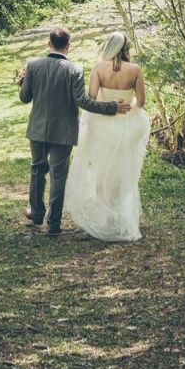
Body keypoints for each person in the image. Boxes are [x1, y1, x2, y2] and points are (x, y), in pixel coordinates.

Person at [17, 27, 131, 236]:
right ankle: (53, 225)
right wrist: (112, 107)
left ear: (48, 43)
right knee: (58, 177)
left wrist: (22, 82)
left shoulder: (32, 65)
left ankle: (36, 213)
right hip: (64, 132)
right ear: (68, 46)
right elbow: (83, 101)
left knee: (37, 170)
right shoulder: (75, 70)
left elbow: (25, 97)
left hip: (38, 129)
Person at [64, 31, 150, 241]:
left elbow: (92, 98)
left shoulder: (99, 68)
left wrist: (109, 103)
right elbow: (141, 102)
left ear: (107, 46)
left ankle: (105, 217)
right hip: (128, 125)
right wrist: (127, 106)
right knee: (123, 170)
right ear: (126, 48)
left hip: (103, 125)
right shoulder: (135, 69)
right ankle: (120, 215)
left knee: (102, 173)